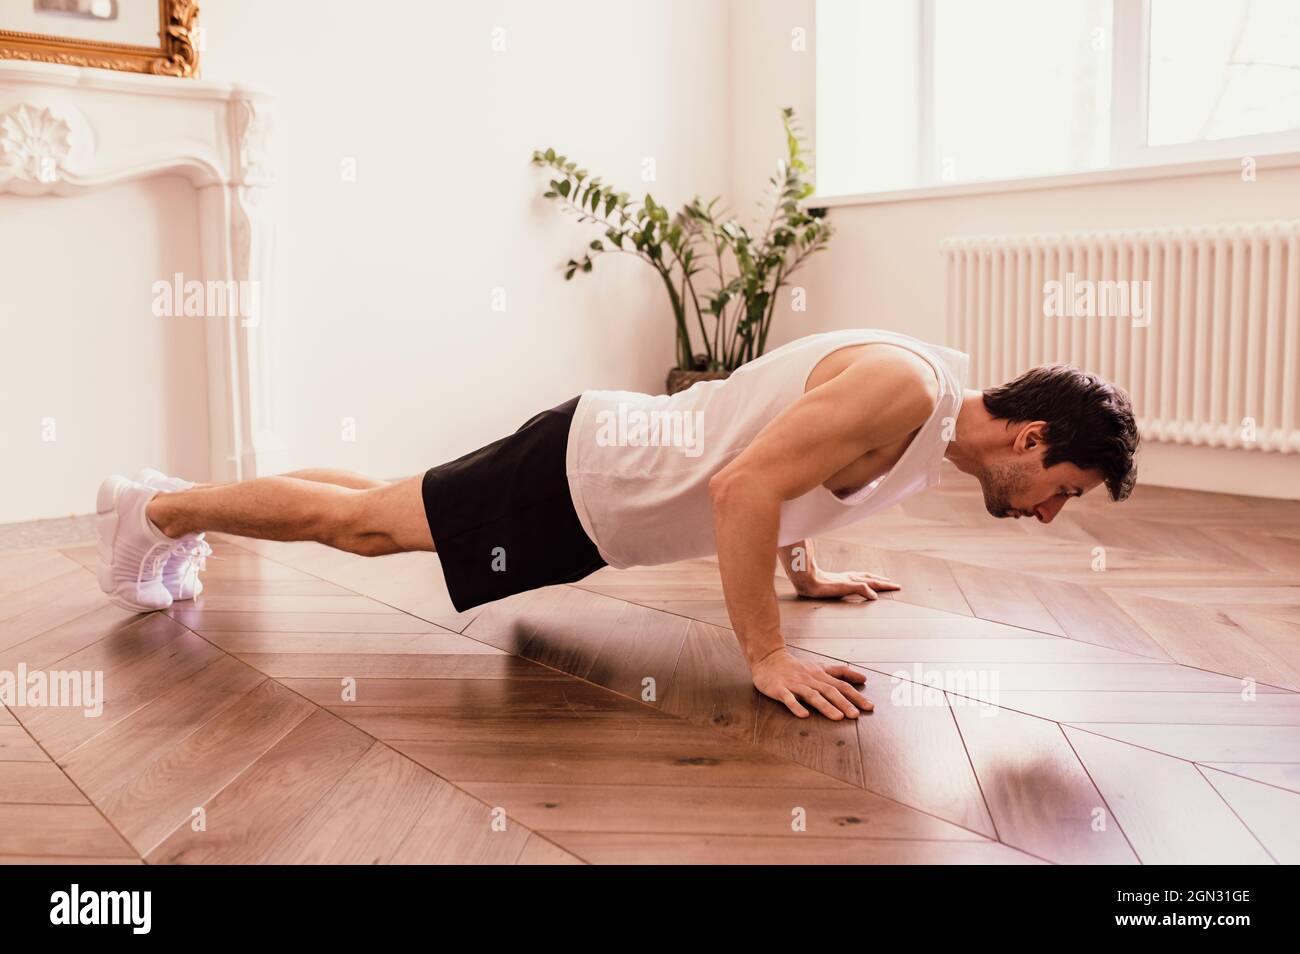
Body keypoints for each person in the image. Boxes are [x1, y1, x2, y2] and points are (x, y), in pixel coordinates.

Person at [96, 329, 1138, 720]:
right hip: (593, 479)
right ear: (1032, 437)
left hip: (602, 486)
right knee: (370, 528)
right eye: (1065, 489)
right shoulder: (905, 390)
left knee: (379, 505)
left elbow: (792, 470)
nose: (1050, 513)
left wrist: (805, 576)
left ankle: (166, 500)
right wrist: (766, 654)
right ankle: (149, 511)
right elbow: (743, 486)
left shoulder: (929, 420)